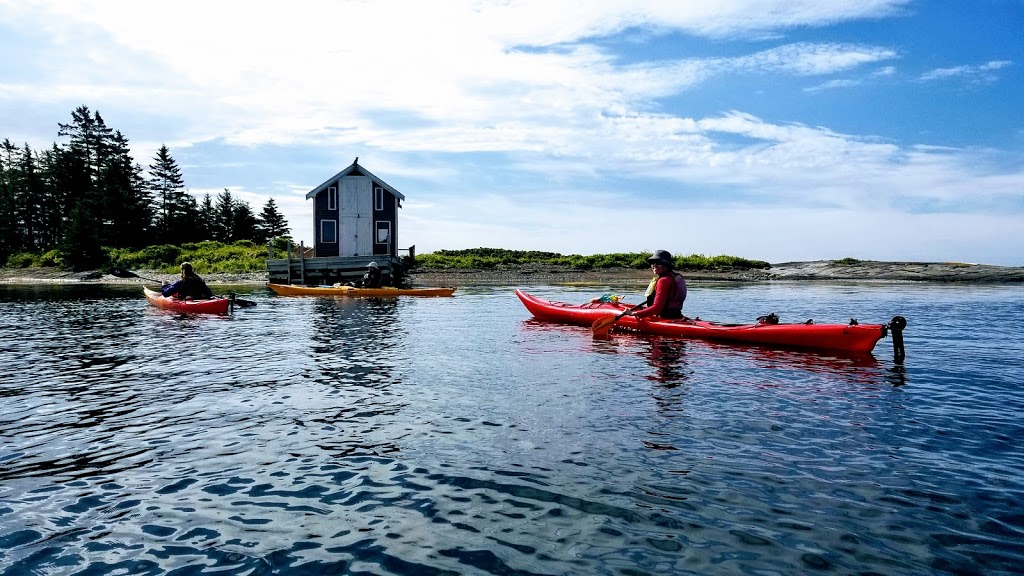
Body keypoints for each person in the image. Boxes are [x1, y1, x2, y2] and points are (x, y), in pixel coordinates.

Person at [629, 250, 687, 320]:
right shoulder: (675, 277)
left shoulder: (664, 280)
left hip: (664, 317)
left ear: (667, 265)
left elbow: (657, 309)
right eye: (652, 262)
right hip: (677, 315)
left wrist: (634, 314)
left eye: (659, 262)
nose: (654, 265)